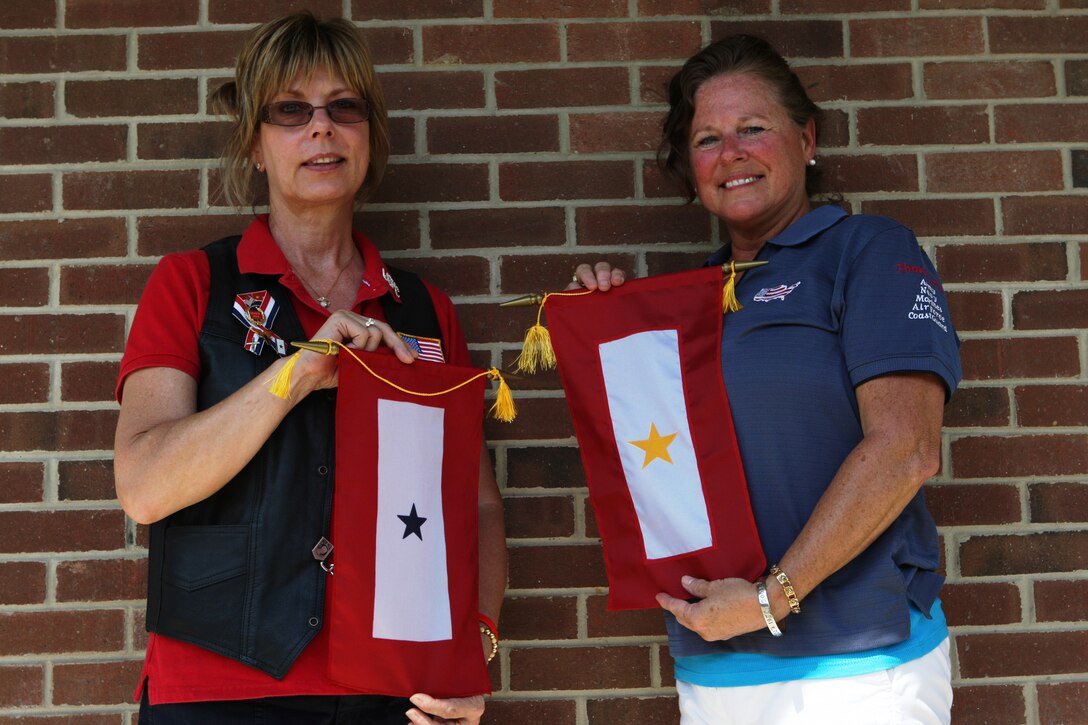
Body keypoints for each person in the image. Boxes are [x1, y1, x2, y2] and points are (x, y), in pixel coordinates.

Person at [113, 12, 505, 725]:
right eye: (292, 110)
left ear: (369, 136)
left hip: (390, 694)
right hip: (215, 695)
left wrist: (472, 650)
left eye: (343, 108)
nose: (320, 128)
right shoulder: (191, 284)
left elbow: (473, 508)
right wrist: (295, 374)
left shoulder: (423, 311)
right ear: (257, 146)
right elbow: (143, 485)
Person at [571, 35, 961, 724]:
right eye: (708, 138)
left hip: (859, 663)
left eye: (753, 128)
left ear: (806, 138)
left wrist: (769, 599)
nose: (732, 153)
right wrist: (611, 321)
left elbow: (907, 448)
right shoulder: (691, 303)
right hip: (718, 663)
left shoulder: (867, 250)